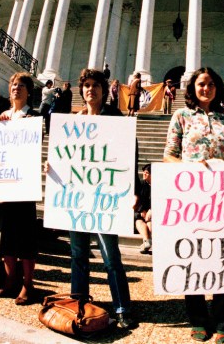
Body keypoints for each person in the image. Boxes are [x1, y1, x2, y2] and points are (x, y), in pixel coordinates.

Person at [164, 67, 224, 344]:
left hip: (222, 198)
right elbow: (169, 156)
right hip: (189, 198)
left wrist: (221, 165)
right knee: (192, 257)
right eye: (201, 83)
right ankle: (198, 319)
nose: (206, 88)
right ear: (192, 88)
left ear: (218, 88)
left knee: (223, 257)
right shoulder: (181, 117)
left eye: (211, 84)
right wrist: (192, 168)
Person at [69, 68, 137, 329]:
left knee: (111, 257)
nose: (91, 89)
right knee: (78, 255)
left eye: (96, 85)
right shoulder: (74, 122)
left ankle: (122, 307)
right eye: (86, 85)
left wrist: (132, 188)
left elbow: (129, 153)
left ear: (103, 89)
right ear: (82, 90)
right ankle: (79, 304)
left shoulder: (116, 118)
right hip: (77, 197)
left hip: (105, 198)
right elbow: (66, 157)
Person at [0, 72, 40, 305]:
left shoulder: (33, 116)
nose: (16, 88)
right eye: (14, 85)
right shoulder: (3, 116)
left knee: (26, 238)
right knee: (7, 236)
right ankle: (10, 281)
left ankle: (28, 285)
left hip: (24, 184)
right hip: (4, 183)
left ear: (29, 91)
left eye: (21, 85)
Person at [134, 163, 153, 253]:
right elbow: (139, 198)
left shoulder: (159, 186)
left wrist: (152, 210)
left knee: (150, 221)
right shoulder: (142, 184)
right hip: (142, 211)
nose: (144, 174)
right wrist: (142, 209)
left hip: (154, 212)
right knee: (138, 219)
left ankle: (148, 242)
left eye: (147, 173)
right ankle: (147, 241)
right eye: (144, 172)